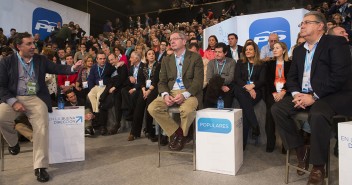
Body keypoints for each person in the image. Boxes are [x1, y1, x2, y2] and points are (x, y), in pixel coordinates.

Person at [271, 11, 352, 185]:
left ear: (320, 26)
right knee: (277, 109)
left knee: (318, 113)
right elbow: (291, 78)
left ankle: (318, 167)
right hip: (304, 95)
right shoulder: (299, 50)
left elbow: (339, 76)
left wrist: (314, 96)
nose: (302, 26)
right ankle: (300, 149)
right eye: (301, 24)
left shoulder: (336, 43)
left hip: (332, 95)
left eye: (307, 22)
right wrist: (295, 94)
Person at [0, 32, 82, 182]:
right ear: (19, 46)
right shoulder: (7, 62)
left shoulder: (40, 59)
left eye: (33, 43)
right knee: (1, 117)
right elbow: (1, 87)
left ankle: (40, 166)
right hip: (13, 97)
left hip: (35, 97)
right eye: (29, 44)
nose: (33, 46)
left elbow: (57, 68)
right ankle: (13, 143)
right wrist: (13, 102)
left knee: (42, 126)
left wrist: (73, 68)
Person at [148, 31, 204, 151]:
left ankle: (181, 136)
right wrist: (165, 94)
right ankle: (179, 133)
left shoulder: (195, 57)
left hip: (189, 92)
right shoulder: (166, 60)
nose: (172, 41)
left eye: (175, 39)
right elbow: (161, 82)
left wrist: (185, 94)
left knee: (187, 110)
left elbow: (198, 82)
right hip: (171, 92)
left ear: (184, 41)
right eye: (170, 39)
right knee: (152, 108)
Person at [233, 41, 266, 150]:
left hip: (256, 90)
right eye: (246, 50)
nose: (247, 51)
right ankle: (255, 124)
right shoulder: (240, 62)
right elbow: (237, 78)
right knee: (240, 93)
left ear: (255, 51)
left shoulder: (261, 64)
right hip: (242, 89)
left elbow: (262, 80)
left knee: (245, 108)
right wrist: (247, 87)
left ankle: (242, 144)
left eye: (250, 49)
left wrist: (253, 86)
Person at [128, 49, 160, 141]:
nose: (151, 55)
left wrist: (148, 91)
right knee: (139, 107)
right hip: (144, 89)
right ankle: (134, 132)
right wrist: (143, 90)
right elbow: (141, 79)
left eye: (153, 54)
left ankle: (149, 131)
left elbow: (156, 80)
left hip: (154, 88)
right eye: (149, 54)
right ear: (146, 56)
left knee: (149, 105)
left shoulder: (158, 65)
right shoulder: (144, 66)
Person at [265, 42, 291, 153]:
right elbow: (267, 81)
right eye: (273, 48)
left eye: (277, 48)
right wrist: (274, 92)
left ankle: (286, 145)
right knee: (270, 113)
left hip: (286, 93)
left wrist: (284, 91)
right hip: (273, 93)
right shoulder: (269, 64)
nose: (274, 50)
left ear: (284, 50)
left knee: (284, 115)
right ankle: (270, 142)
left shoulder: (290, 63)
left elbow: (292, 80)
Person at [204, 42, 235, 108]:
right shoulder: (211, 63)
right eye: (215, 52)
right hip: (213, 87)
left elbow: (230, 78)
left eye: (219, 52)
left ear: (225, 53)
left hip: (227, 86)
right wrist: (220, 86)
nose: (217, 54)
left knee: (216, 77)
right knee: (212, 82)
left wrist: (216, 79)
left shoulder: (231, 62)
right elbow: (209, 79)